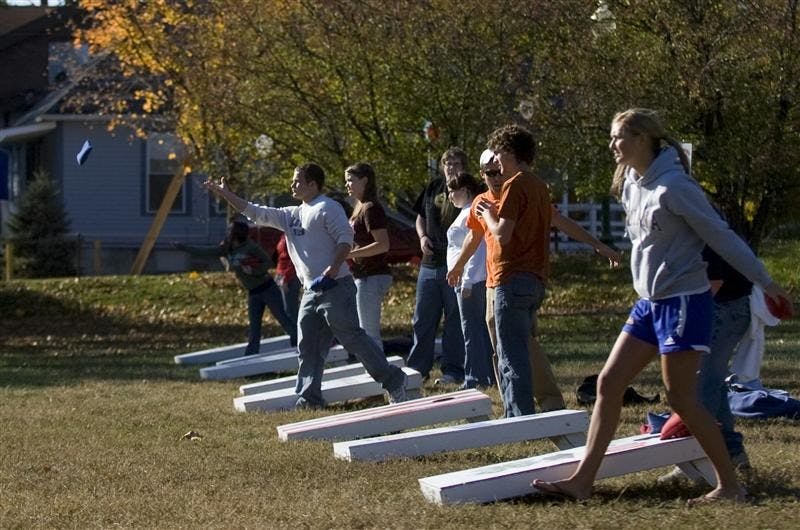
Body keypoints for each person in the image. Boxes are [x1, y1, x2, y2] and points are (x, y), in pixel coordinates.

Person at [532, 108, 793, 504]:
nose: (611, 145)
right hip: (650, 303)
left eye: (618, 136)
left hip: (684, 302)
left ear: (642, 139)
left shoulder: (675, 187)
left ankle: (730, 486)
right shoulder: (631, 184)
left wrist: (767, 282)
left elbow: (722, 237)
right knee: (608, 384)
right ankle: (582, 482)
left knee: (682, 398)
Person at [204, 163, 408, 408]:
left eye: (297, 181)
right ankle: (309, 398)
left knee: (353, 339)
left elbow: (345, 241)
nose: (292, 185)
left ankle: (395, 381)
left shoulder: (328, 208)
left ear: (313, 184)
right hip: (311, 290)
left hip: (336, 286)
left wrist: (333, 269)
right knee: (307, 345)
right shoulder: (291, 214)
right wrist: (226, 194)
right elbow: (255, 212)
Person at [452, 149, 622, 413]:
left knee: (523, 344)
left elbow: (561, 221)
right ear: (482, 175)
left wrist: (598, 246)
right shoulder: (481, 202)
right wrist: (458, 267)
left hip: (519, 280)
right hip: (492, 283)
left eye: (498, 172)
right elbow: (473, 238)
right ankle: (513, 405)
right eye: (490, 174)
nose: (496, 178)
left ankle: (548, 402)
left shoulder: (519, 193)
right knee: (501, 348)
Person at [448, 125, 551, 417]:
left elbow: (502, 234)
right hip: (534, 278)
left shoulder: (516, 185)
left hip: (512, 277)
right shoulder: (537, 184)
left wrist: (489, 216)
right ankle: (518, 411)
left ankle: (519, 415)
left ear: (510, 153)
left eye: (499, 157)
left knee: (511, 353)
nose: (496, 166)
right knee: (517, 348)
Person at [658, 245, 753, 483]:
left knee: (700, 388)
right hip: (728, 307)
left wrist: (688, 316)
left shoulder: (697, 225)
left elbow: (715, 279)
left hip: (723, 309)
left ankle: (694, 463)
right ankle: (733, 453)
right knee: (713, 383)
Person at [174, 219, 297, 352]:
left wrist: (253, 270)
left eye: (230, 230)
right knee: (254, 327)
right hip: (253, 292)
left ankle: (301, 344)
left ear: (237, 233)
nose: (227, 232)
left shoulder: (251, 247)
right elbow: (206, 251)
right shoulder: (227, 249)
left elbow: (267, 262)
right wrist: (183, 247)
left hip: (268, 289)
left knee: (284, 320)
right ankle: (250, 357)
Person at [407, 148, 466, 386]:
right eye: (447, 163)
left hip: (455, 264)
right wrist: (422, 237)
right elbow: (420, 216)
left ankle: (452, 371)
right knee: (422, 319)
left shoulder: (470, 189)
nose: (451, 167)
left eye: (456, 163)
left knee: (453, 321)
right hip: (429, 264)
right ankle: (417, 370)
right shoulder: (433, 187)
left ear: (464, 166)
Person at [445, 172, 495, 389]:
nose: (449, 197)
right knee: (475, 329)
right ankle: (484, 375)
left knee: (472, 330)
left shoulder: (470, 213)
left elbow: (477, 248)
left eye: (452, 191)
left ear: (465, 190)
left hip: (470, 280)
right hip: (464, 279)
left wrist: (466, 280)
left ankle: (475, 377)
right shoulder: (464, 213)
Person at [344, 162, 392, 351]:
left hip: (372, 276)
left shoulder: (371, 208)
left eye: (350, 180)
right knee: (363, 331)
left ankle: (381, 376)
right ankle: (375, 372)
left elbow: (383, 244)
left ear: (364, 180)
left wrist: (351, 253)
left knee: (369, 333)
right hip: (362, 276)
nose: (347, 184)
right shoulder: (360, 206)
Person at [273, 234, 301, 327]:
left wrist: (286, 278)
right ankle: (294, 334)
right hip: (280, 275)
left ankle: (300, 334)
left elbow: (293, 260)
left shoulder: (293, 236)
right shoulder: (283, 235)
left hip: (289, 277)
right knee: (284, 310)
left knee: (290, 310)